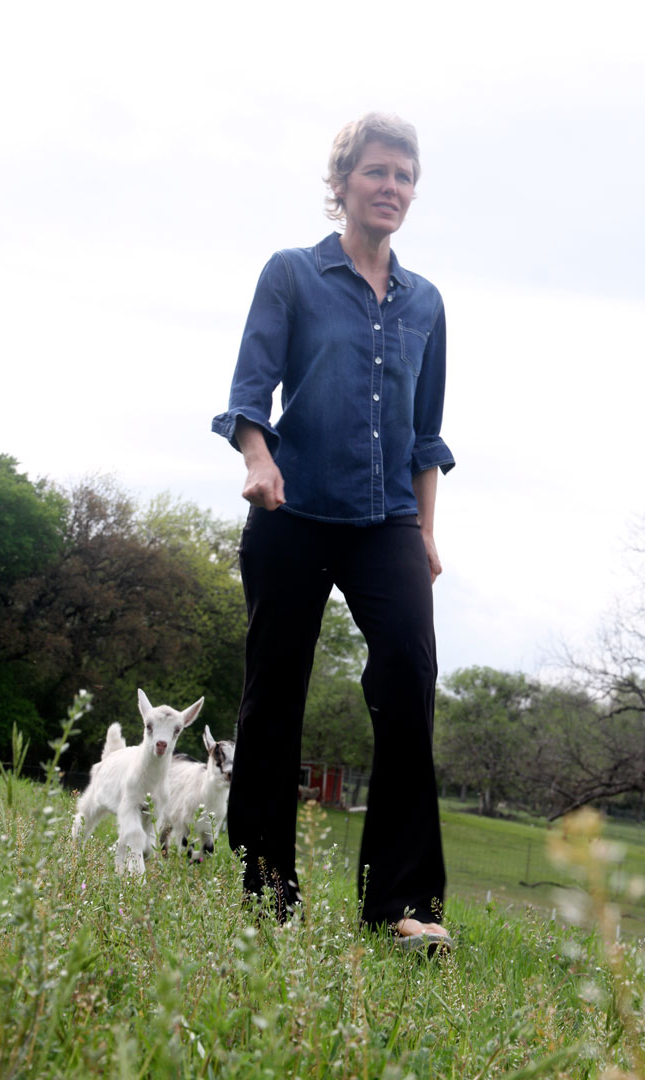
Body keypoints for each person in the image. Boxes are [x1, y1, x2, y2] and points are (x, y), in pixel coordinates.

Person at [212, 112, 455, 949]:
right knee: (273, 695)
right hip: (291, 510)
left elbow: (427, 434)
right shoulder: (292, 274)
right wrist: (257, 457)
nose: (393, 188)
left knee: (408, 679)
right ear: (344, 181)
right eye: (378, 173)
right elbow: (251, 387)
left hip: (387, 518)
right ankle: (265, 890)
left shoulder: (426, 302)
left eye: (406, 176)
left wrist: (425, 531)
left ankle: (401, 903)